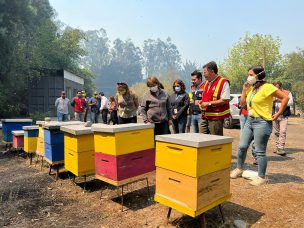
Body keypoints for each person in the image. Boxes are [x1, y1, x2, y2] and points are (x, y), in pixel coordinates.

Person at [230, 66, 289, 186]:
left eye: (251, 74)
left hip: (262, 122)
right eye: (249, 74)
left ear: (259, 75)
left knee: (259, 151)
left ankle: (261, 176)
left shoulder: (268, 87)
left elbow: (285, 97)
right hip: (249, 121)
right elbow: (242, 105)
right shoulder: (252, 89)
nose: (249, 77)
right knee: (242, 146)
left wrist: (278, 114)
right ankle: (239, 169)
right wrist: (244, 90)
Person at [198, 61, 231, 136]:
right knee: (202, 140)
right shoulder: (206, 83)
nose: (203, 75)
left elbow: (225, 100)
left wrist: (208, 103)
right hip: (204, 117)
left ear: (212, 72)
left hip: (216, 118)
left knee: (215, 141)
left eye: (205, 72)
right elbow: (206, 97)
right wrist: (201, 102)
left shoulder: (223, 82)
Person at [273, 82, 293, 156]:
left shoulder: (287, 93)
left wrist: (281, 100)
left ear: (281, 87)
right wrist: (273, 101)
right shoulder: (272, 93)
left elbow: (290, 102)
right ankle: (277, 147)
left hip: (284, 115)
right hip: (274, 115)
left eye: (278, 87)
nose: (276, 89)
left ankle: (281, 148)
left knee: (283, 131)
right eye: (275, 87)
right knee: (276, 132)